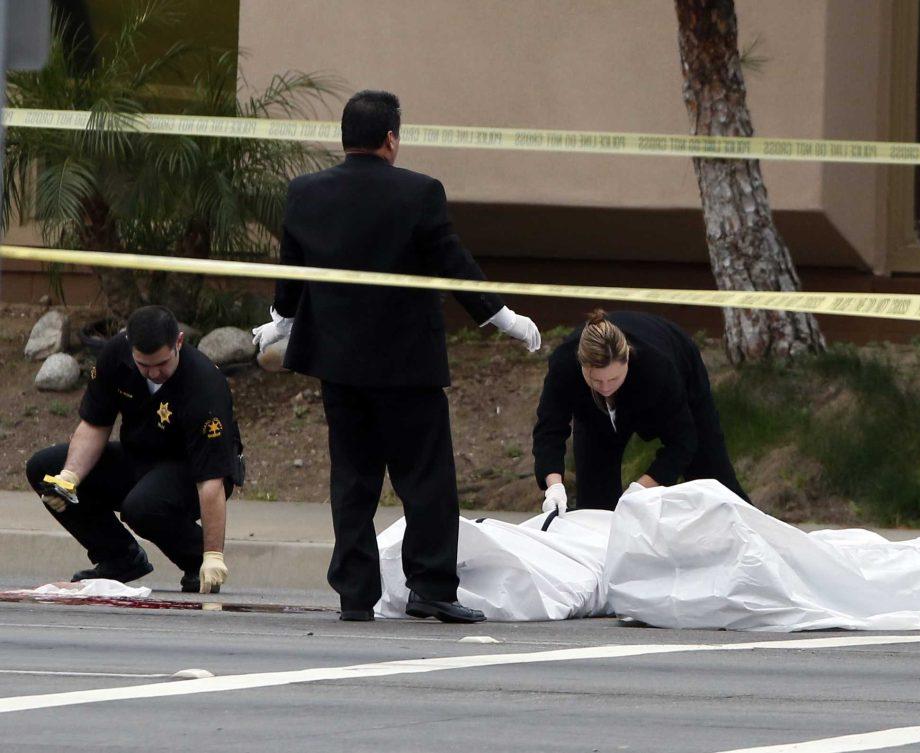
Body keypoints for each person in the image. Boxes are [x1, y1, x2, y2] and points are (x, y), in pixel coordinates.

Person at [252, 89, 542, 624]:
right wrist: (503, 317)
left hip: (338, 364)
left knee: (353, 480)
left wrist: (281, 322)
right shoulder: (419, 193)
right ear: (391, 138)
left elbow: (294, 269)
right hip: (406, 364)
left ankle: (355, 594)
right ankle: (430, 586)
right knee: (426, 479)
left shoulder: (305, 193)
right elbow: (453, 265)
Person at [26, 305, 242, 594]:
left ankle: (194, 560)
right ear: (129, 347)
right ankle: (119, 558)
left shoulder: (204, 385)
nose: (153, 373)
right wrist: (69, 477)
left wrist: (213, 555)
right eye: (144, 365)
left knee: (142, 507)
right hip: (139, 457)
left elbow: (211, 480)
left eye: (162, 364)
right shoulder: (115, 356)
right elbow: (95, 425)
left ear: (178, 342)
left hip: (191, 471)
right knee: (45, 468)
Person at [533, 309, 749, 513]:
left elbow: (682, 440)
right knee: (594, 502)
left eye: (613, 378)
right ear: (580, 364)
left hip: (675, 363)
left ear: (627, 358)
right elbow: (550, 429)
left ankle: (752, 535)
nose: (606, 388)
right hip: (593, 411)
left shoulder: (657, 369)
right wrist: (553, 488)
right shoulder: (564, 366)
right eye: (596, 379)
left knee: (711, 476)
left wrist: (641, 489)